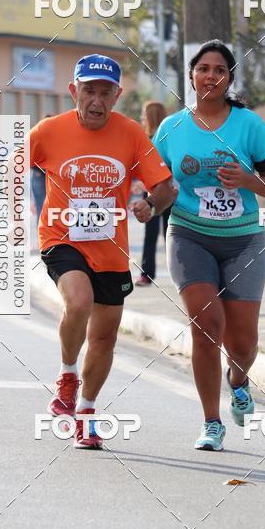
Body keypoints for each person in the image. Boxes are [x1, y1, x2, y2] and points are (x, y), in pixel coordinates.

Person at [28, 54, 175, 450]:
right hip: (62, 237)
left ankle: (87, 413)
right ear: (74, 91)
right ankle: (67, 375)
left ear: (117, 95)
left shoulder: (130, 135)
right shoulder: (48, 131)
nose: (96, 100)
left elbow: (165, 186)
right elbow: (10, 166)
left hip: (110, 250)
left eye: (105, 92)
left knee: (105, 337)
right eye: (88, 91)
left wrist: (151, 204)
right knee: (78, 301)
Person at [153, 40, 265, 451]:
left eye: (219, 70)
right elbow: (158, 185)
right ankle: (211, 422)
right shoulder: (171, 129)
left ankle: (239, 379)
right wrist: (145, 203)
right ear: (191, 76)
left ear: (229, 79)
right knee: (206, 327)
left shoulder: (249, 125)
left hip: (243, 239)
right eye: (203, 68)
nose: (210, 75)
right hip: (190, 235)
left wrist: (246, 180)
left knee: (242, 343)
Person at [135, 100, 172, 286]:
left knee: (170, 233)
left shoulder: (167, 138)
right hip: (149, 193)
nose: (141, 117)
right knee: (150, 233)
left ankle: (177, 273)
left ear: (151, 116)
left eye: (143, 113)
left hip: (168, 192)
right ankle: (147, 274)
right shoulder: (143, 139)